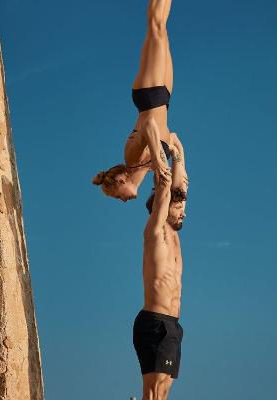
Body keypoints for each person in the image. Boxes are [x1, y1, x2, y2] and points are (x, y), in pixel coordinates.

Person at [92, 0, 188, 202]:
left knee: (156, 25)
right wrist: (179, 164)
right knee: (163, 29)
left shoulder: (132, 159)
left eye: (118, 197)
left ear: (120, 181)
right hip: (164, 98)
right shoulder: (149, 169)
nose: (123, 200)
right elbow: (173, 138)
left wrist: (158, 159)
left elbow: (148, 124)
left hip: (148, 95)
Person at [132, 120, 187, 400]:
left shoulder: (176, 238)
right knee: (153, 395)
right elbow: (165, 186)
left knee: (162, 396)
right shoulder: (155, 231)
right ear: (160, 208)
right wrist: (157, 143)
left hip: (173, 325)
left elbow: (180, 185)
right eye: (178, 208)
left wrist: (178, 150)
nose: (184, 213)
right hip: (154, 322)